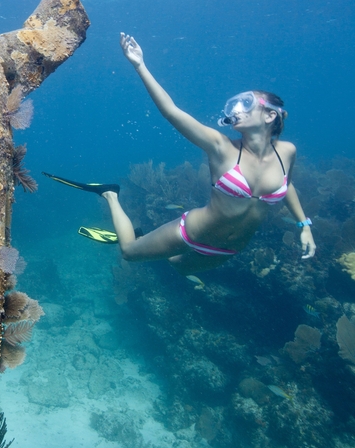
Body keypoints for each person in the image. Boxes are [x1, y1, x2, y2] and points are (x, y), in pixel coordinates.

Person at [44, 33, 316, 275]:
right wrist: (140, 65)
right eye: (235, 106)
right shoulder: (221, 146)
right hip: (191, 233)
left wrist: (304, 224)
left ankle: (146, 237)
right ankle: (111, 195)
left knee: (178, 267)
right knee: (129, 252)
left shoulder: (286, 152)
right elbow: (172, 112)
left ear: (270, 115)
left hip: (230, 249)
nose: (236, 111)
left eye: (246, 104)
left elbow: (286, 183)